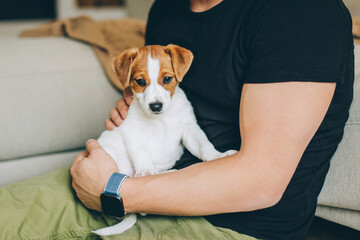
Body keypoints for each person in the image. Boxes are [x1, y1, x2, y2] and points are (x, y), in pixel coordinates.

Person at [0, 0, 354, 240]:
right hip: (144, 185)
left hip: (230, 227)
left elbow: (260, 181)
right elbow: (166, 99)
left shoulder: (302, 12)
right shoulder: (167, 8)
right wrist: (133, 111)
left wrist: (115, 192)